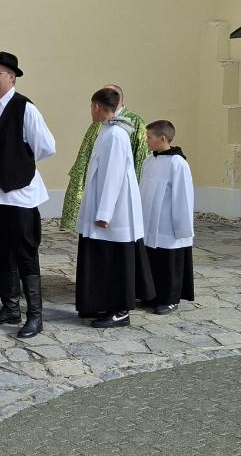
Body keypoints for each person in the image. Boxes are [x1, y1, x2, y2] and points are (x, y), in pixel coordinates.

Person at [0, 51, 56, 338]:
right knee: (0, 253)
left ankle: (35, 315)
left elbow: (46, 146)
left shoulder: (25, 108)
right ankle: (10, 307)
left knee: (25, 254)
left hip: (19, 195)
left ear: (12, 77)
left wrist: (18, 162)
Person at [74, 87, 155, 328]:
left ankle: (119, 310)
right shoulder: (107, 131)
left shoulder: (116, 135)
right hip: (103, 205)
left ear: (97, 106)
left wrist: (104, 213)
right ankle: (100, 304)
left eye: (91, 107)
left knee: (115, 261)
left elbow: (113, 175)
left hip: (115, 212)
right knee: (102, 258)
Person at [60, 84, 149, 232]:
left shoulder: (122, 130)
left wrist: (104, 213)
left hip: (114, 196)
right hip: (97, 184)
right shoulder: (102, 124)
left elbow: (117, 171)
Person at [138, 120, 195, 315]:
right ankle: (151, 296)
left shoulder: (178, 163)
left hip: (168, 224)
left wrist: (182, 228)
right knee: (152, 260)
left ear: (163, 138)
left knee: (169, 262)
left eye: (149, 137)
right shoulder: (149, 161)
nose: (146, 140)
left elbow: (183, 196)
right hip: (148, 221)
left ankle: (170, 299)